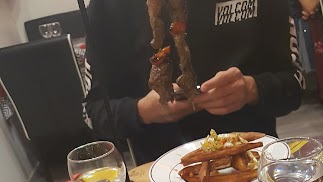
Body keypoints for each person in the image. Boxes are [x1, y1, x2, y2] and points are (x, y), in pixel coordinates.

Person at [84, 0, 305, 165]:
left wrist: (252, 89)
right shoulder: (109, 6)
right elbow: (94, 112)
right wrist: (142, 111)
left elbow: (295, 85)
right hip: (161, 180)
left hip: (256, 166)